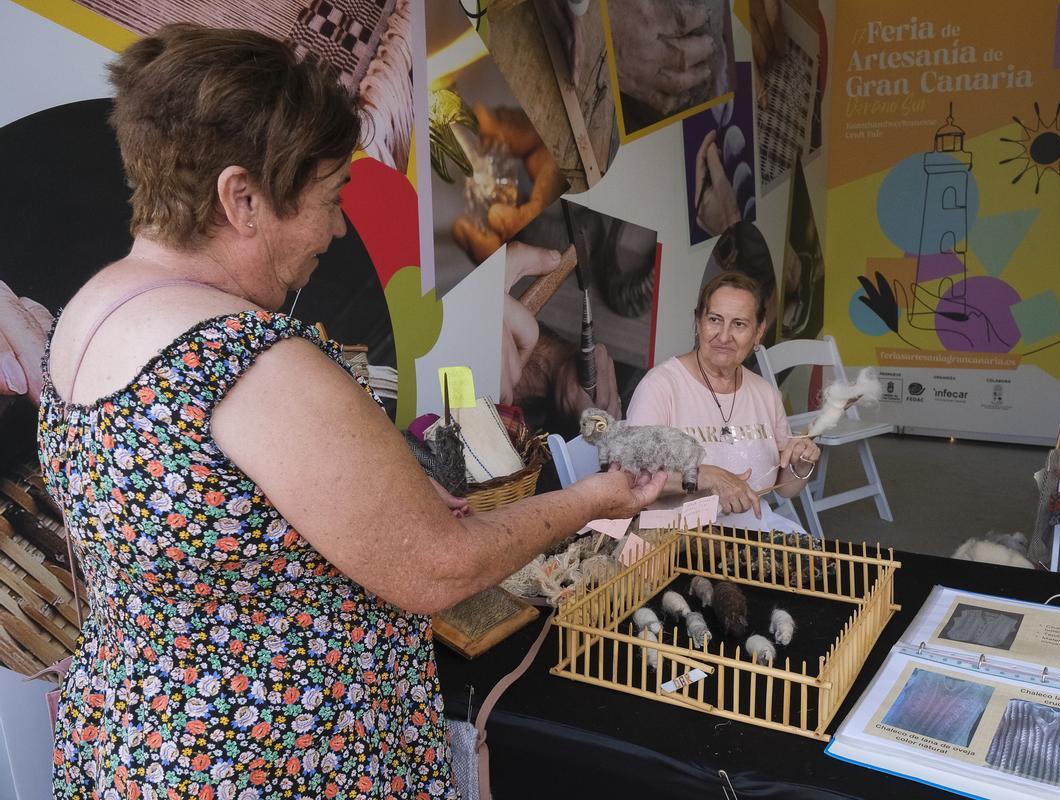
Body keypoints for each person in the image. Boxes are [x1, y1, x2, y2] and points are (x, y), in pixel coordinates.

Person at [36, 25, 665, 799]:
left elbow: (212, 523)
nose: (337, 230)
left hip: (142, 744)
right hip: (278, 761)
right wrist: (595, 498)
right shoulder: (250, 363)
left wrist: (380, 496)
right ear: (242, 198)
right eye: (330, 200)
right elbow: (439, 569)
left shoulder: (84, 316)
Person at [626, 271, 818, 531]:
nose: (724, 336)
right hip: (674, 538)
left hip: (751, 531)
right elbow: (634, 476)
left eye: (739, 324)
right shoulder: (660, 386)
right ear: (698, 322)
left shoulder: (765, 394)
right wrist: (706, 475)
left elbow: (786, 489)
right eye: (715, 320)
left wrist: (802, 463)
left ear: (759, 331)